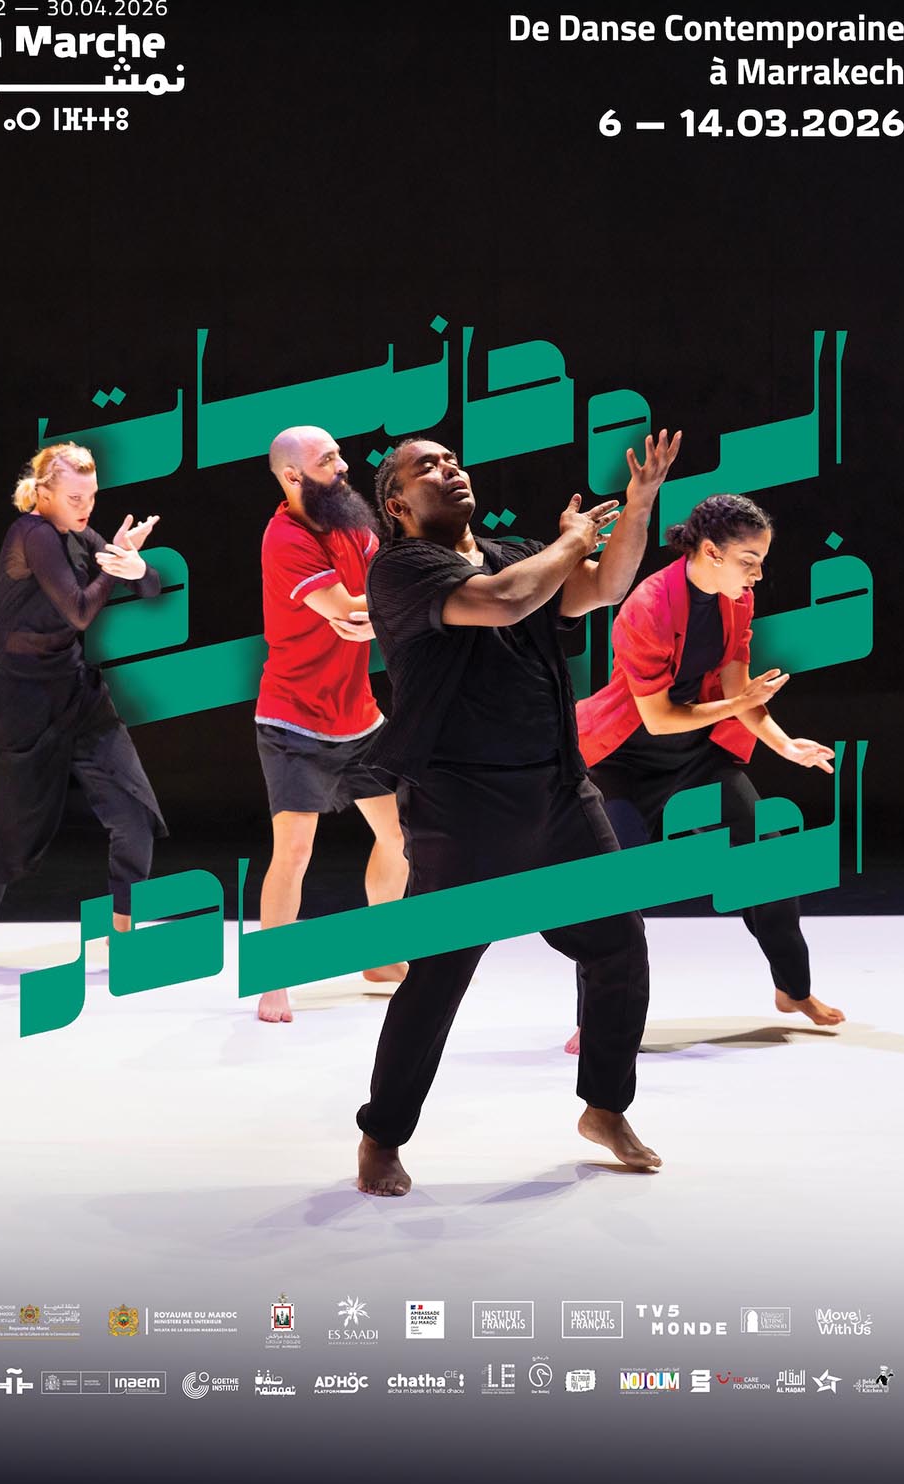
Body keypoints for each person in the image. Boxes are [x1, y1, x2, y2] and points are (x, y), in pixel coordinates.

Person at [354, 431, 680, 1196]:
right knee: (437, 978)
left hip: (559, 793)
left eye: (452, 459)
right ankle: (382, 1136)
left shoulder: (517, 554)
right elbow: (503, 603)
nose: (450, 469)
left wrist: (638, 506)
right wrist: (571, 542)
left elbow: (605, 586)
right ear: (397, 505)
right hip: (462, 807)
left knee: (618, 945)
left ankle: (605, 1108)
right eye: (427, 467)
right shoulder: (403, 568)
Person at [565, 492, 845, 1051]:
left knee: (768, 860)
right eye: (750, 561)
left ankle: (793, 989)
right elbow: (659, 717)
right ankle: (598, 1016)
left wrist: (784, 744)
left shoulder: (735, 599)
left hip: (698, 755)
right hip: (626, 760)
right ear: (712, 552)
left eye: (761, 561)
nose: (758, 574)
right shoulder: (647, 605)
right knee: (612, 888)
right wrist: (738, 706)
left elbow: (739, 690)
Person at [0, 442, 166, 969]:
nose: (86, 508)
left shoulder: (80, 535)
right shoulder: (32, 533)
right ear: (44, 494)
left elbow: (151, 588)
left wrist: (134, 562)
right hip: (17, 701)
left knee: (133, 812)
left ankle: (122, 932)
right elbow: (80, 611)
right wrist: (116, 570)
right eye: (75, 498)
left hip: (77, 696)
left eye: (92, 496)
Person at [253, 425, 408, 1023]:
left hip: (360, 717)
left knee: (402, 837)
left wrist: (376, 614)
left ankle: (381, 953)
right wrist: (377, 613)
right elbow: (346, 611)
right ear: (294, 476)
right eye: (328, 459)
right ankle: (273, 979)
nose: (343, 466)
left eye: (338, 454)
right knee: (294, 853)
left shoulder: (352, 524)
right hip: (293, 722)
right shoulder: (284, 538)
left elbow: (377, 599)